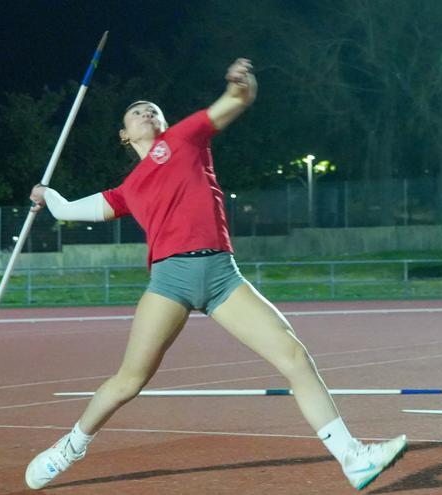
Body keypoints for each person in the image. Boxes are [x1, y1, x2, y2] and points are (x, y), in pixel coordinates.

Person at [24, 58, 406, 491]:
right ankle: (71, 447)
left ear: (165, 121)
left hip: (223, 275)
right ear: (124, 135)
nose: (146, 113)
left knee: (295, 357)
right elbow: (72, 211)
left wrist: (242, 84)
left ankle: (353, 458)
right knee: (130, 380)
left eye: (153, 109)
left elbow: (235, 100)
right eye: (136, 112)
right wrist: (47, 195)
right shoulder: (128, 189)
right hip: (170, 281)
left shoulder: (185, 139)